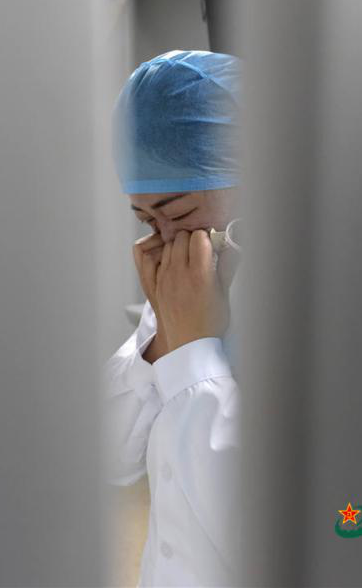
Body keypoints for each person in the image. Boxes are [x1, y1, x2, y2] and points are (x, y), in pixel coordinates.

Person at [104, 50, 242, 587]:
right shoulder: (189, 285)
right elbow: (111, 456)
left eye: (180, 213)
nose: (166, 239)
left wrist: (192, 355)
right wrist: (164, 336)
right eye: (145, 219)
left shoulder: (324, 306)